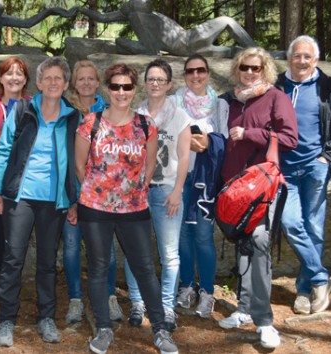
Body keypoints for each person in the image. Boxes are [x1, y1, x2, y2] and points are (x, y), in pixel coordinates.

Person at [75, 63, 178, 354]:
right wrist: (100, 194)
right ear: (107, 89)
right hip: (95, 210)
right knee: (97, 267)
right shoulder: (90, 123)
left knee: (145, 268)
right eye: (116, 86)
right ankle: (104, 329)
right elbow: (79, 165)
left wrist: (132, 193)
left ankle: (159, 330)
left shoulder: (146, 125)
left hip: (134, 209)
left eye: (127, 87)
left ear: (134, 90)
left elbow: (149, 166)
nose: (121, 92)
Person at [0, 57, 81, 348]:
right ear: (39, 83)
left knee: (46, 262)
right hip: (20, 198)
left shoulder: (73, 117)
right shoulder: (21, 111)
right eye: (48, 78)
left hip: (54, 201)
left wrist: (75, 200)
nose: (53, 83)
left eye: (59, 78)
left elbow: (80, 162)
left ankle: (46, 317)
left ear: (66, 84)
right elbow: (3, 152)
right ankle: (6, 318)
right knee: (12, 259)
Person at [219, 47, 298, 349]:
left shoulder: (276, 98)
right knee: (242, 244)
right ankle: (243, 309)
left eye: (255, 67)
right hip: (234, 189)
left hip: (263, 189)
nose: (250, 72)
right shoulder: (230, 100)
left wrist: (251, 133)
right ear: (237, 70)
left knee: (262, 244)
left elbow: (290, 138)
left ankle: (264, 321)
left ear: (265, 69)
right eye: (244, 68)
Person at [275, 35, 331, 314]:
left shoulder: (327, 87)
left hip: (314, 168)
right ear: (289, 58)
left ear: (316, 60)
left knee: (314, 229)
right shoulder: (278, 86)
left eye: (307, 56)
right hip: (284, 171)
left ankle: (305, 292)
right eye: (297, 56)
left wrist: (325, 157)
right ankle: (322, 279)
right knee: (290, 223)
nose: (302, 61)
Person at [124, 58, 191, 330]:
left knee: (169, 254)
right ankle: (137, 302)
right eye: (150, 79)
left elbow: (184, 156)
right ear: (145, 83)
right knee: (135, 252)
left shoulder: (180, 115)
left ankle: (166, 307)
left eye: (160, 80)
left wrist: (178, 191)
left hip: (167, 192)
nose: (154, 83)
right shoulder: (134, 114)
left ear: (169, 84)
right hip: (138, 192)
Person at [63, 60, 123, 325]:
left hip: (103, 195)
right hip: (70, 192)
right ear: (74, 83)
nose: (86, 83)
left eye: (90, 78)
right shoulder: (66, 111)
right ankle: (75, 299)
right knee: (72, 249)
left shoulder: (110, 111)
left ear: (98, 83)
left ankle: (110, 297)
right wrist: (73, 197)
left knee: (105, 251)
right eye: (81, 78)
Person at [173, 54, 229, 318]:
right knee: (183, 234)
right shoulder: (174, 102)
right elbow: (165, 135)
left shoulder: (220, 105)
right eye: (190, 71)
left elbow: (226, 140)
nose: (196, 75)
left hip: (206, 180)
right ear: (184, 75)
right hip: (180, 177)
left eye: (201, 70)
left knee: (204, 235)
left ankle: (207, 291)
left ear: (208, 73)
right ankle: (187, 287)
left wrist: (209, 142)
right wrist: (184, 142)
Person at [0, 57, 30, 319]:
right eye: (8, 73)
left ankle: (10, 293)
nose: (14, 78)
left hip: (24, 188)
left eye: (19, 73)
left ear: (25, 79)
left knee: (15, 245)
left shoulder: (33, 105)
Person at [77, 0, 256, 56]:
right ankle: (259, 53)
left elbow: (103, 17)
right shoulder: (137, 16)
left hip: (189, 39)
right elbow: (151, 50)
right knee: (228, 30)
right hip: (187, 44)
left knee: (232, 45)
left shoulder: (141, 13)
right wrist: (121, 42)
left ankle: (261, 54)